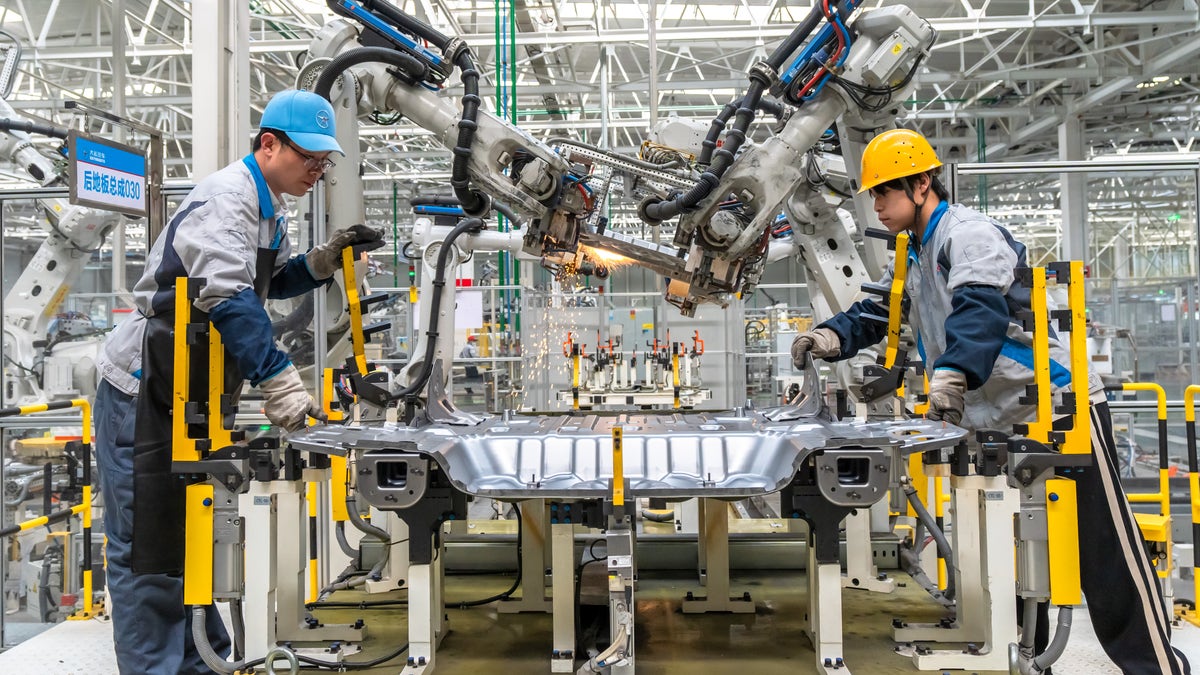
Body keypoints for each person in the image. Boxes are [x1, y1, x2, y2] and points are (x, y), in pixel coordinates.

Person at [791, 128, 1190, 674]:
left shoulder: (969, 235)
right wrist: (826, 338)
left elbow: (979, 311)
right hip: (996, 420)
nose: (878, 205)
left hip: (1056, 410)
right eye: (873, 195)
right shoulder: (912, 251)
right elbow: (877, 315)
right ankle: (1029, 659)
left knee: (1105, 552)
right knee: (1018, 556)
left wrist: (949, 382)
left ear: (923, 183)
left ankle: (1155, 667)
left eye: (885, 192)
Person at [93, 89, 383, 674]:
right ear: (269, 144)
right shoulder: (228, 197)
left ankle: (200, 660)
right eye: (311, 159)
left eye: (325, 163)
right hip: (146, 384)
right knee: (149, 541)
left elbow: (264, 287)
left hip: (193, 385)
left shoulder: (267, 205)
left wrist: (321, 262)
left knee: (188, 530)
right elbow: (225, 293)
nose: (318, 171)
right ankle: (156, 666)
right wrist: (278, 380)